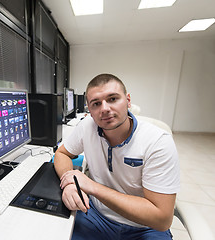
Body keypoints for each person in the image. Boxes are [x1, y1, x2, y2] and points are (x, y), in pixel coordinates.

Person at [54, 73, 180, 240]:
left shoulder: (157, 142)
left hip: (145, 228)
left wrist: (92, 186)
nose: (105, 108)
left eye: (112, 99)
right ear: (89, 110)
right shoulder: (87, 126)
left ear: (128, 101)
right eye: (96, 104)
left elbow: (161, 219)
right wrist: (69, 183)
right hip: (95, 216)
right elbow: (62, 153)